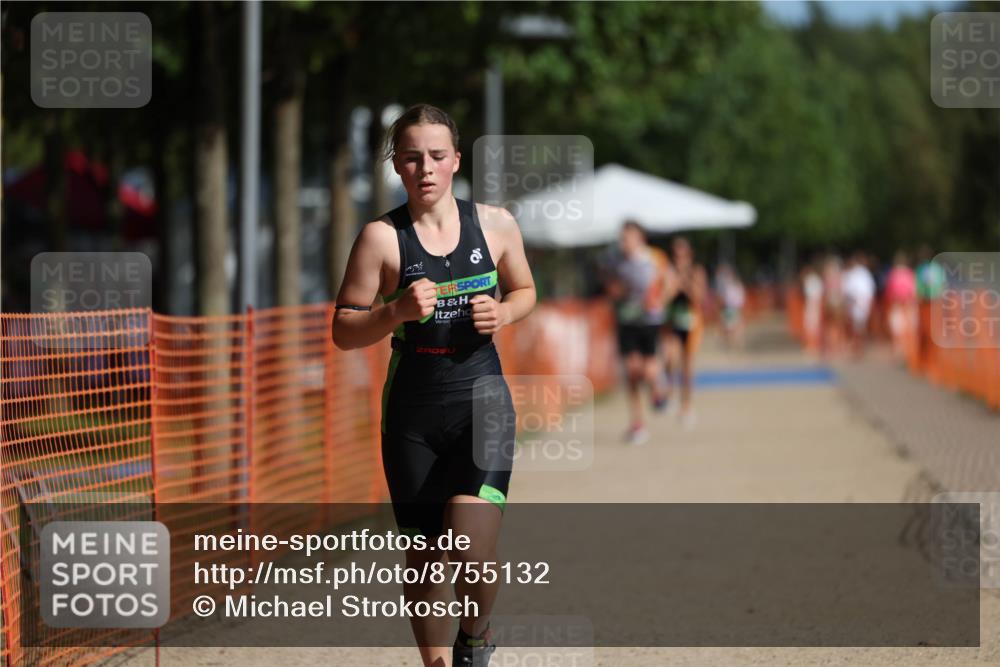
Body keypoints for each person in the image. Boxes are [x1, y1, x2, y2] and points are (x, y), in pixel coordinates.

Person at [332, 104, 536, 667]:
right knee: (424, 560)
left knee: (468, 542)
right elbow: (343, 329)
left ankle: (475, 638)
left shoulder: (495, 225)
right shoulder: (380, 238)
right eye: (411, 157)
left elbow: (524, 290)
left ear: (456, 161)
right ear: (396, 164)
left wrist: (504, 312)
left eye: (437, 156)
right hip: (412, 415)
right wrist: (392, 312)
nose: (425, 168)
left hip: (482, 402)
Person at [603, 221, 668, 445]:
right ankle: (638, 423)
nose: (624, 242)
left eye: (628, 238)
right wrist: (617, 292)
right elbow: (611, 286)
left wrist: (659, 299)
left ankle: (657, 384)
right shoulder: (616, 261)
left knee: (648, 371)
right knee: (631, 371)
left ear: (640, 238)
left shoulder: (654, 258)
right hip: (627, 319)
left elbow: (669, 281)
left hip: (650, 320)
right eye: (622, 238)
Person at [663, 236, 707, 430]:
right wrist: (674, 285)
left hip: (692, 324)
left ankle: (686, 406)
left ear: (689, 254)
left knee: (687, 367)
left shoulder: (697, 271)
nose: (679, 258)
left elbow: (699, 297)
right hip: (673, 322)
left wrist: (685, 282)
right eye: (675, 254)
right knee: (670, 357)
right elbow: (664, 297)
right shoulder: (668, 271)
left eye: (682, 254)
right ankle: (670, 390)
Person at [842, 251, 877, 358]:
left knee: (858, 325)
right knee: (860, 325)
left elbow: (848, 289)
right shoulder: (863, 273)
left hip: (857, 302)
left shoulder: (856, 273)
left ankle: (858, 346)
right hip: (861, 301)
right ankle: (859, 346)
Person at [884, 251, 917, 360]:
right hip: (906, 303)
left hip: (898, 303)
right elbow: (913, 290)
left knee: (897, 326)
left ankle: (899, 349)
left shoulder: (894, 274)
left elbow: (889, 291)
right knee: (907, 326)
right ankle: (906, 349)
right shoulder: (909, 273)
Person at [715, 263, 746, 350]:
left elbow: (740, 299)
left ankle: (734, 343)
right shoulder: (725, 285)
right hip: (728, 308)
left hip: (733, 309)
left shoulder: (736, 285)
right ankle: (730, 344)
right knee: (728, 328)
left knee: (734, 327)